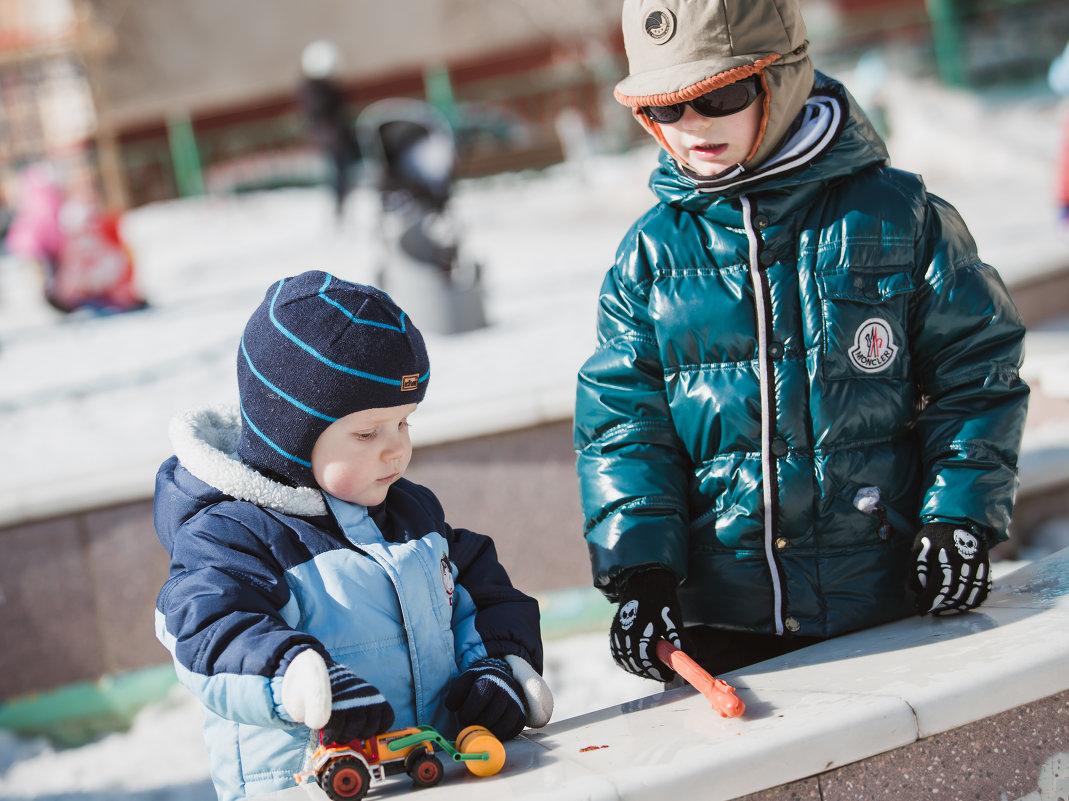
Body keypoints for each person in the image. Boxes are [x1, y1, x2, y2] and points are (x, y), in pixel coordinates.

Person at [573, 0, 1029, 684]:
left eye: (717, 96)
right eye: (666, 110)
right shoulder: (650, 254)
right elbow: (624, 429)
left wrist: (957, 513)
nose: (691, 127)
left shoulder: (894, 215)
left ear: (779, 78)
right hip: (725, 616)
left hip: (882, 592)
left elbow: (976, 372)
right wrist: (641, 571)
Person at [153, 271, 551, 800]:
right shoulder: (231, 538)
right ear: (288, 436)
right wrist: (296, 677)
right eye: (367, 433)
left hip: (434, 773)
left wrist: (498, 663)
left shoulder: (411, 513)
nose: (397, 451)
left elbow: (480, 587)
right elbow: (210, 628)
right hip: (306, 785)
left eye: (404, 423)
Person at [298, 40, 362, 222]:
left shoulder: (317, 89)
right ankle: (339, 206)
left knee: (341, 172)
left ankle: (342, 203)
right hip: (332, 139)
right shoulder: (315, 91)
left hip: (334, 137)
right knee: (338, 174)